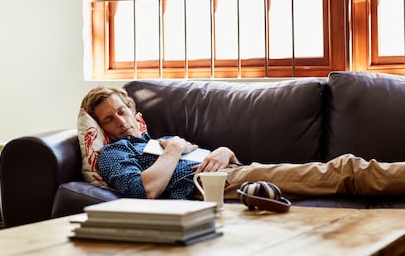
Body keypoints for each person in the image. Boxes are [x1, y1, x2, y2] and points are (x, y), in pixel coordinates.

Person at [81, 86, 405, 202]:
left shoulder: (163, 140)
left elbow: (213, 157)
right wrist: (175, 151)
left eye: (122, 111)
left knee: (341, 171)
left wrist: (224, 151)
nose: (120, 121)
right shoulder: (115, 152)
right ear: (102, 128)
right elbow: (144, 191)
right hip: (216, 186)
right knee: (344, 170)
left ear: (134, 111)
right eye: (108, 119)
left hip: (238, 171)